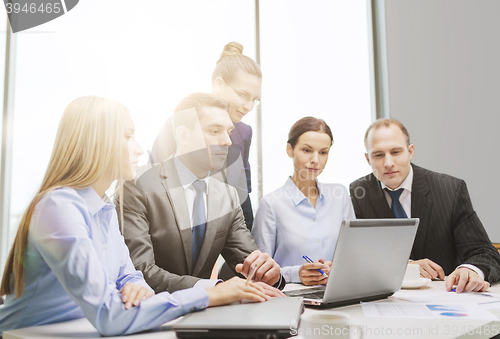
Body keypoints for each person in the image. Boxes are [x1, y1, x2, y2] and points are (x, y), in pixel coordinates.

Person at [0, 96, 272, 336]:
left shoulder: (105, 208)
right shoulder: (59, 207)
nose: (140, 149)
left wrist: (135, 289)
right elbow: (110, 315)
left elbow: (130, 278)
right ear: (97, 141)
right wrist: (207, 294)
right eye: (128, 136)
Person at [119, 92, 286, 294]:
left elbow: (251, 265)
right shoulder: (139, 184)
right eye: (215, 131)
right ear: (183, 135)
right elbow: (140, 271)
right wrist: (214, 288)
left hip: (208, 316)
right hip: (157, 313)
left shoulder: (228, 197)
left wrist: (271, 276)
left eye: (229, 132)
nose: (227, 141)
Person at [349, 118, 500, 293]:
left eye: (396, 152)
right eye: (378, 155)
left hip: (445, 298)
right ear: (368, 159)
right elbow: (360, 257)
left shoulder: (450, 189)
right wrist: (408, 265)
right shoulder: (358, 192)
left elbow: (485, 253)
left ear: (410, 151)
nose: (388, 163)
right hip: (387, 299)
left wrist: (471, 270)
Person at [151, 42, 260, 230]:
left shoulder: (244, 133)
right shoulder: (179, 122)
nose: (248, 106)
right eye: (243, 95)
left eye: (254, 100)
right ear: (219, 84)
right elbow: (155, 187)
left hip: (226, 233)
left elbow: (242, 199)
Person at [252, 117, 355, 285]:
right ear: (290, 150)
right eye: (307, 150)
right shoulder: (271, 204)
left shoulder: (340, 195)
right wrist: (296, 273)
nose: (315, 160)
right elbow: (259, 272)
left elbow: (353, 253)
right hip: (289, 296)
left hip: (338, 290)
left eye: (323, 152)